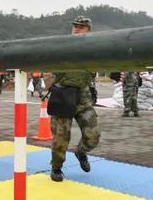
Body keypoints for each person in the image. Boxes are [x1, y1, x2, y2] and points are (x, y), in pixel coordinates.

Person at [50, 16, 101, 182]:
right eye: (75, 26)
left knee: (93, 135)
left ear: (89, 30)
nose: (77, 29)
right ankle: (56, 167)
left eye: (82, 27)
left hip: (83, 96)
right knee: (61, 138)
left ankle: (81, 152)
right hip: (64, 95)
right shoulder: (62, 46)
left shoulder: (94, 49)